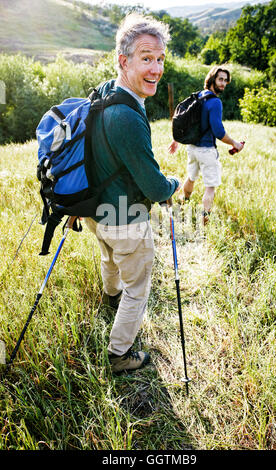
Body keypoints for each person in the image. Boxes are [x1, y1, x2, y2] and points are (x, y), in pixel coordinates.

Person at [84, 13, 180, 373]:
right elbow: (154, 187)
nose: (156, 69)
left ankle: (111, 296)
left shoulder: (107, 92)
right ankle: (120, 354)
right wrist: (171, 184)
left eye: (160, 59)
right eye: (146, 58)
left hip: (98, 211)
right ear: (124, 61)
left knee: (109, 258)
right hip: (125, 216)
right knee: (138, 285)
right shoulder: (127, 117)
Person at [169, 65, 244, 226]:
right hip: (207, 150)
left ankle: (184, 202)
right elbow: (218, 131)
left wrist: (176, 139)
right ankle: (204, 222)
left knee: (191, 177)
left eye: (225, 80)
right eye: (220, 79)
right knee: (210, 187)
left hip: (192, 148)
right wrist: (234, 143)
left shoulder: (199, 96)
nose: (223, 83)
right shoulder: (215, 102)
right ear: (212, 79)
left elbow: (185, 120)